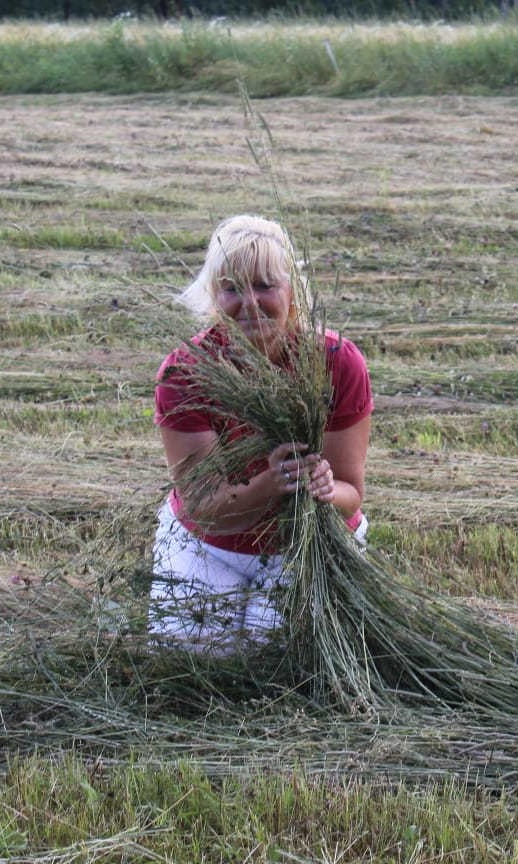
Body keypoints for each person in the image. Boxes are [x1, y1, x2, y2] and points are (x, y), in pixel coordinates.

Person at [149, 214, 373, 653]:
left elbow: (353, 493)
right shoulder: (184, 372)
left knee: (280, 654)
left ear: (293, 292)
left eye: (265, 285)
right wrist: (270, 484)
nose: (248, 303)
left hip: (302, 543)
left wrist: (324, 489)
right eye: (231, 288)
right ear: (214, 296)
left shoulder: (337, 361)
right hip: (210, 541)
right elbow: (203, 506)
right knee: (192, 657)